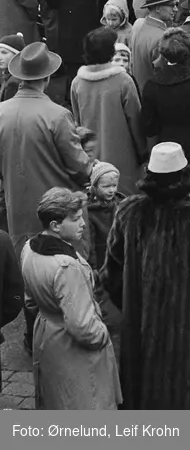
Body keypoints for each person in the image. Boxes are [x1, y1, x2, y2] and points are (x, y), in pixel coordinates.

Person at [103, 141, 190, 409]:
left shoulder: (127, 211)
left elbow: (110, 272)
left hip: (139, 325)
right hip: (186, 328)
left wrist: (132, 303)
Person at [20, 187, 121, 409]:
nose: (83, 224)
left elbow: (29, 300)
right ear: (55, 225)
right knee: (85, 404)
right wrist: (103, 335)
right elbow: (82, 326)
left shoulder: (29, 248)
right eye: (75, 219)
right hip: (71, 348)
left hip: (46, 335)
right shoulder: (66, 266)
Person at [0, 41, 92, 245]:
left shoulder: (1, 112)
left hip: (16, 209)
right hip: (59, 212)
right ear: (48, 77)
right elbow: (79, 167)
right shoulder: (57, 115)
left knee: (25, 265)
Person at [70, 26, 147, 196]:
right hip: (124, 157)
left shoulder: (77, 82)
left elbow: (77, 122)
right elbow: (135, 119)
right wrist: (143, 152)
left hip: (92, 158)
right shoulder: (123, 80)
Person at [139, 26, 190, 172]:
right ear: (189, 53)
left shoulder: (152, 84)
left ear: (163, 54)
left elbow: (148, 124)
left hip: (165, 147)